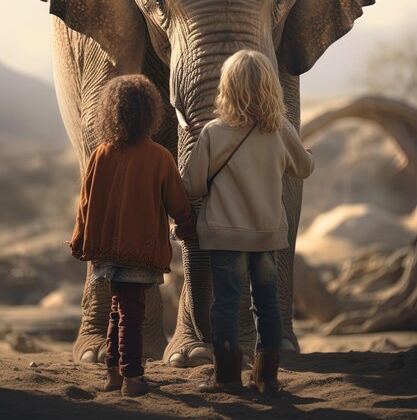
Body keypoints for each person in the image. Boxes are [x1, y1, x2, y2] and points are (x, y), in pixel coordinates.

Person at [182, 50, 314, 395]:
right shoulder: (280, 129)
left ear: (227, 88)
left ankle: (226, 378)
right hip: (267, 235)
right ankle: (266, 378)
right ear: (270, 87)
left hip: (225, 236)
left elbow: (193, 186)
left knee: (225, 305)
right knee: (268, 304)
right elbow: (304, 169)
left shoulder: (214, 132)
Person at [70, 74, 196, 397]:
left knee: (116, 308)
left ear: (111, 113)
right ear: (149, 112)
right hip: (140, 252)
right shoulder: (159, 157)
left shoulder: (101, 154)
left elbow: (85, 202)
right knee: (131, 314)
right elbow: (177, 203)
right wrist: (187, 226)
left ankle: (113, 373)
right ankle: (133, 378)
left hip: (107, 253)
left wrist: (81, 240)